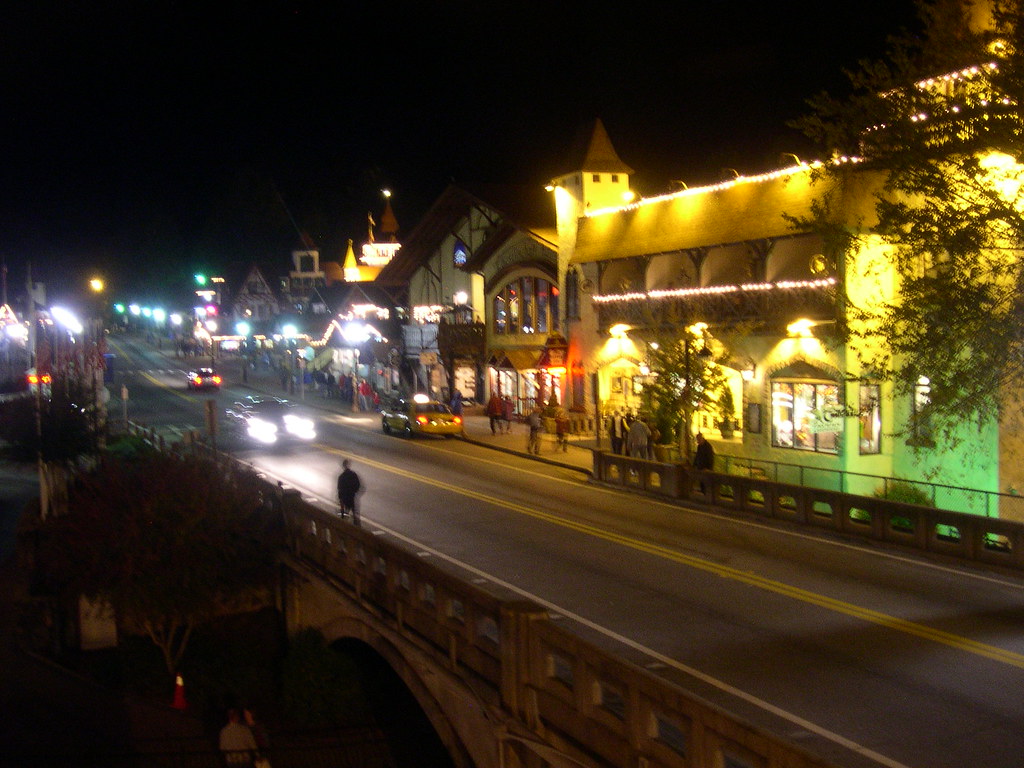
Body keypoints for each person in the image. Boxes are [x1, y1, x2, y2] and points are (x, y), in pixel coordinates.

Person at [337, 459, 361, 525]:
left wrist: (341, 508)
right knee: (355, 514)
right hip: (351, 497)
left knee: (345, 515)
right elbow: (358, 485)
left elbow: (340, 491)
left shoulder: (341, 477)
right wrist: (354, 492)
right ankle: (357, 526)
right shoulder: (353, 475)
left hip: (345, 499)